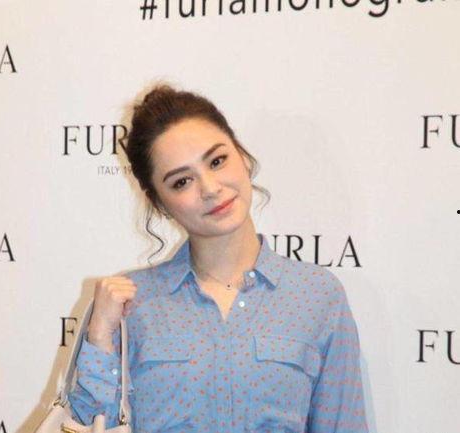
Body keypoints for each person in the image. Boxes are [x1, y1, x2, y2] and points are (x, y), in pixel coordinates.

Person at [68, 83, 369, 433]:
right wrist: (100, 337)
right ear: (160, 203)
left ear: (242, 156)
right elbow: (88, 425)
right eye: (182, 181)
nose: (210, 188)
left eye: (217, 161)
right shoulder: (130, 305)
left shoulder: (317, 295)